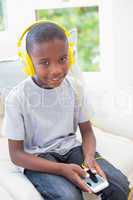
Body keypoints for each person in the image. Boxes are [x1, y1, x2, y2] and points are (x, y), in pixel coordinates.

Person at [3, 21, 130, 200]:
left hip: (71, 148)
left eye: (62, 59)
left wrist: (89, 157)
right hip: (38, 157)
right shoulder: (17, 98)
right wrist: (62, 169)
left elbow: (87, 132)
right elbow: (16, 155)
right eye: (44, 63)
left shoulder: (75, 87)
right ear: (29, 63)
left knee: (119, 184)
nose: (56, 70)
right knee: (68, 196)